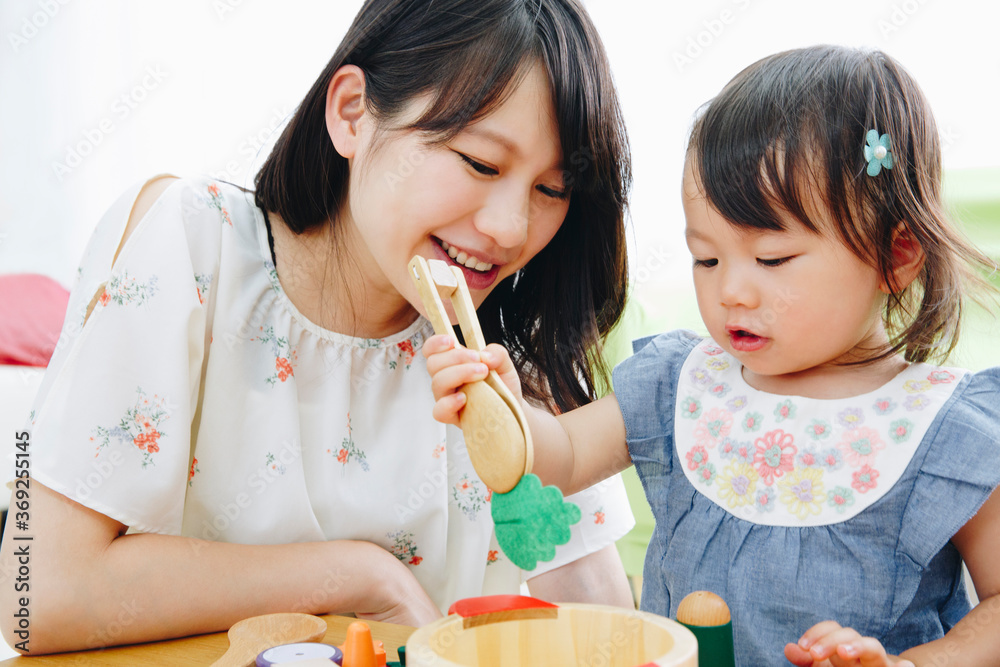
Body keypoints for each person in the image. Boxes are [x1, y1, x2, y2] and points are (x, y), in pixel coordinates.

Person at [0, 0, 639, 654]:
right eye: (480, 162)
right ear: (352, 112)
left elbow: (613, 639)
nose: (510, 228)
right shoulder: (194, 246)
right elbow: (36, 596)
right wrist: (361, 578)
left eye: (551, 190)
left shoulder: (507, 355)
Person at [426, 45, 1000, 666]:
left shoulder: (946, 429)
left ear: (896, 256)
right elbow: (559, 457)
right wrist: (504, 411)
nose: (731, 291)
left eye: (772, 259)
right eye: (706, 258)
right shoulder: (684, 384)